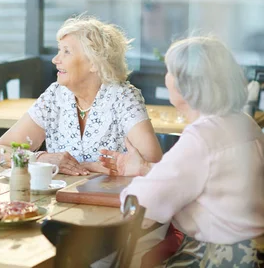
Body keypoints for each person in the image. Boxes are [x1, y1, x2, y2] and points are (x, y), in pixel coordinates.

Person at [102, 36, 264, 266]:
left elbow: (142, 202)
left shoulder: (202, 136)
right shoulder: (243, 122)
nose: (166, 77)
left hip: (221, 259)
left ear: (185, 84)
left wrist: (134, 187)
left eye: (170, 71)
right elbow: (207, 179)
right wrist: (145, 168)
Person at [0, 15, 162, 174]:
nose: (55, 60)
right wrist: (39, 159)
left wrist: (94, 168)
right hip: (60, 201)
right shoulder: (54, 96)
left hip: (112, 202)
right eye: (59, 50)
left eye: (66, 51)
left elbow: (152, 164)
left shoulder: (123, 97)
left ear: (94, 63)